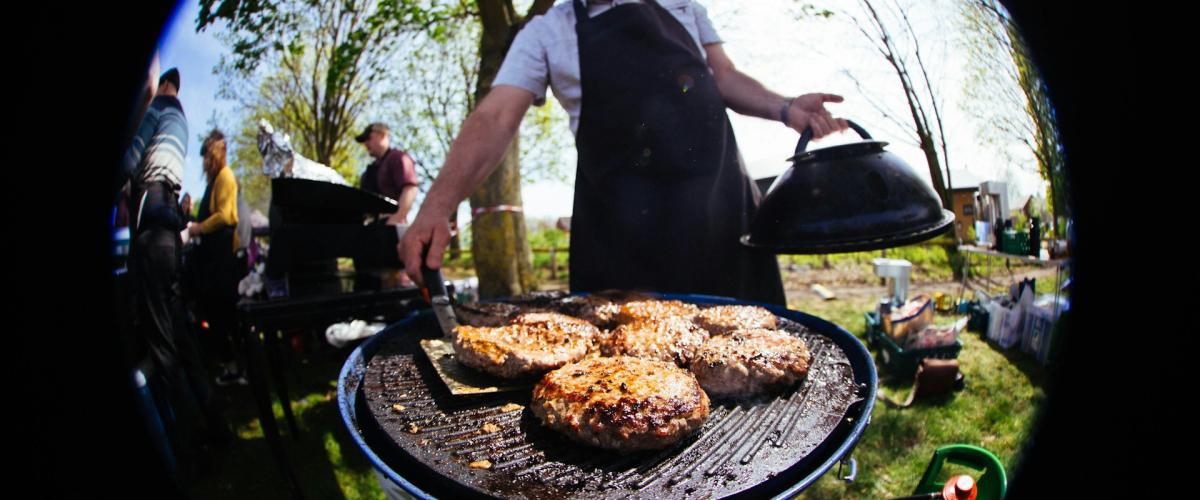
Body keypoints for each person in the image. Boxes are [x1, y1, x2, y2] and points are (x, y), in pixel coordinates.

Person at [398, 0, 847, 304]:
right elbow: (496, 117)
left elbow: (724, 76)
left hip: (720, 218)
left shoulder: (681, 5)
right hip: (621, 247)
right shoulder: (546, 32)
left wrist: (786, 108)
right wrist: (437, 204)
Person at [121, 68, 230, 473]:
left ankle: (189, 450)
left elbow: (131, 156)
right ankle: (217, 429)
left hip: (153, 231)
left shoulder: (161, 105)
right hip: (168, 231)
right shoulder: (180, 119)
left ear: (162, 84)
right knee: (182, 341)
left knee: (161, 346)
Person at [187, 130, 246, 386]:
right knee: (219, 315)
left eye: (206, 157)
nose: (203, 163)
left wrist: (197, 228)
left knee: (226, 315)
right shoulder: (214, 181)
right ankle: (232, 366)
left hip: (222, 263)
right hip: (213, 262)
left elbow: (225, 216)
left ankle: (237, 368)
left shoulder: (225, 176)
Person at [355, 122, 419, 224]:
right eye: (364, 140)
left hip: (392, 229)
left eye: (369, 138)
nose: (366, 143)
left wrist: (393, 220)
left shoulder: (398, 158)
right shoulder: (368, 172)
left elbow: (410, 189)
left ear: (383, 135)